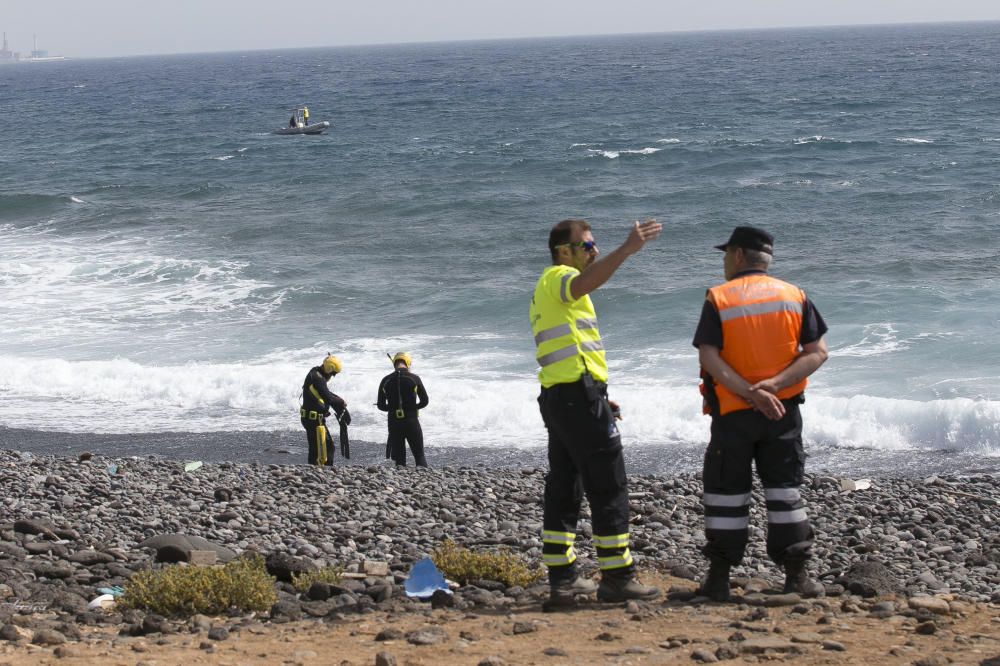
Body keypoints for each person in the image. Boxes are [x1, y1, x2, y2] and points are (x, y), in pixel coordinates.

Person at [530, 217, 663, 609]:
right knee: (608, 484)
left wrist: (600, 397)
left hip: (565, 397)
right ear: (563, 251)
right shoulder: (557, 277)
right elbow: (583, 284)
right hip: (574, 399)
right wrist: (627, 249)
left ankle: (563, 579)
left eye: (594, 245)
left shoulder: (550, 288)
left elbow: (573, 352)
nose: (595, 251)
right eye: (587, 246)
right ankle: (618, 579)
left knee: (565, 488)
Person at [692, 226, 829, 601]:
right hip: (781, 414)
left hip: (733, 413)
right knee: (785, 493)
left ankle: (718, 580)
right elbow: (817, 352)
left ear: (737, 256)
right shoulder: (795, 296)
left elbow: (709, 355)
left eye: (725, 254)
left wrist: (749, 392)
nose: (723, 262)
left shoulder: (720, 298)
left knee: (725, 494)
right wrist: (773, 386)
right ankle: (797, 578)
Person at [377, 352, 429, 467]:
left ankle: (399, 482)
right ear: (407, 362)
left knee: (400, 459)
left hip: (394, 422)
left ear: (394, 363)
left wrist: (392, 408)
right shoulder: (414, 378)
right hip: (411, 420)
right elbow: (425, 401)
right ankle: (424, 481)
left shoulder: (385, 380)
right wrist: (412, 407)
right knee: (419, 455)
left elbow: (381, 405)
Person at [301, 354, 349, 466]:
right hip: (314, 420)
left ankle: (313, 469)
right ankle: (327, 472)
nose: (332, 376)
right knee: (328, 447)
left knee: (314, 448)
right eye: (333, 373)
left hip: (309, 417)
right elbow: (328, 397)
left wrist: (338, 399)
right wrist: (341, 402)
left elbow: (324, 392)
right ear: (329, 369)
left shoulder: (314, 373)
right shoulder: (318, 378)